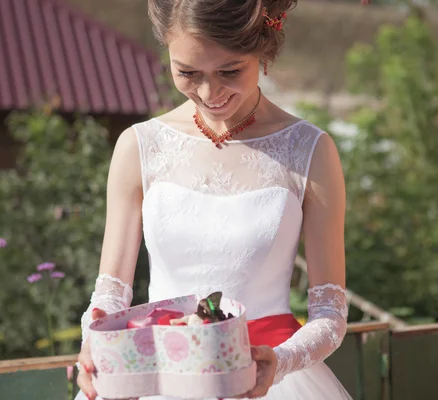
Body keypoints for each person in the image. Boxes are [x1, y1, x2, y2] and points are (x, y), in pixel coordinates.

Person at [75, 0, 351, 399]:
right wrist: (95, 344)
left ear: (263, 48)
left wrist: (280, 361)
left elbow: (330, 313)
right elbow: (110, 293)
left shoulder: (310, 150)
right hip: (156, 378)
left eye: (230, 71)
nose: (209, 92)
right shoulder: (139, 146)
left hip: (269, 378)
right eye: (187, 72)